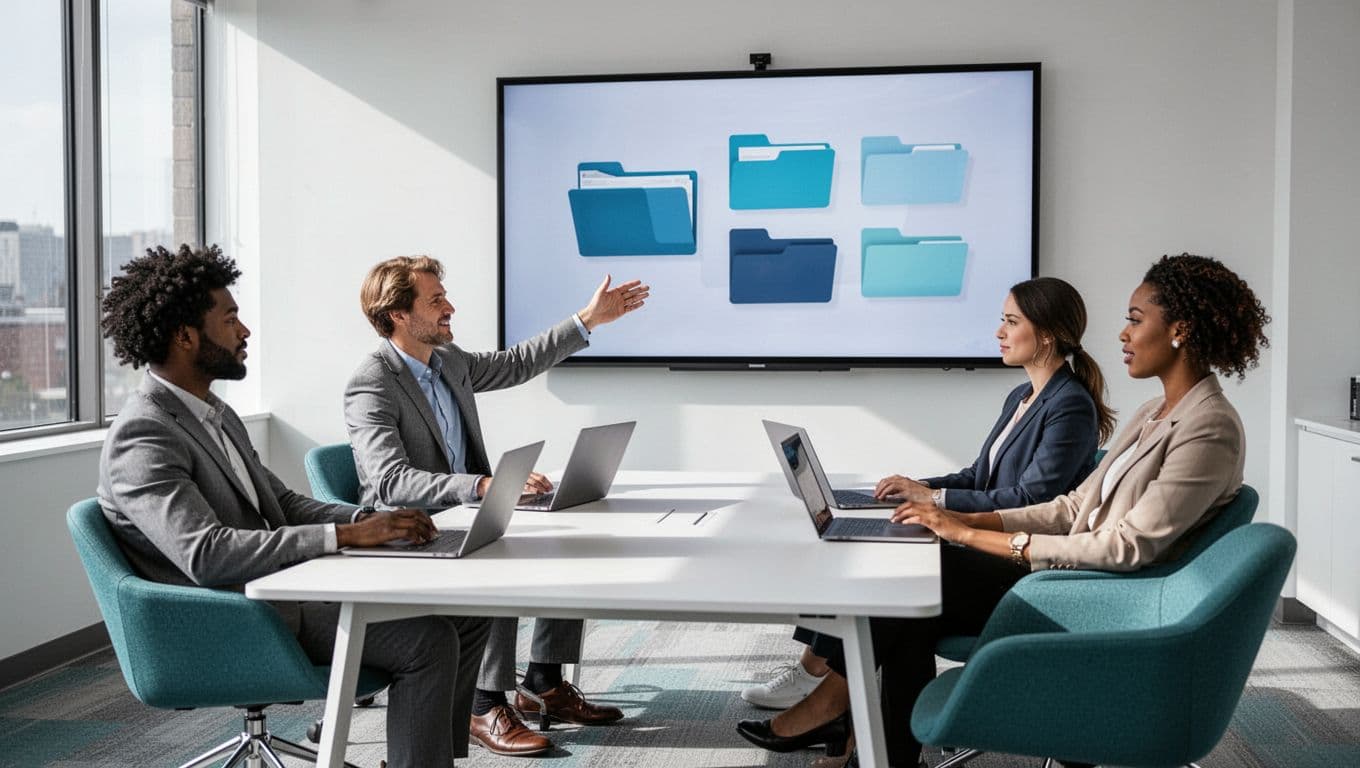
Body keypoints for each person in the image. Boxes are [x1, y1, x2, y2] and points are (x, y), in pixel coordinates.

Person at [739, 253, 1270, 768]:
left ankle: (835, 708)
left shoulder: (1209, 425)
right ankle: (874, 745)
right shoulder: (1155, 411)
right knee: (903, 598)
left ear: (1181, 329)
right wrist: (957, 519)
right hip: (1071, 573)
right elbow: (1071, 506)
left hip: (1098, 596)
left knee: (906, 584)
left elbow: (1126, 546)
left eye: (1135, 320)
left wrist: (970, 534)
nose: (1122, 335)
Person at [96, 245, 490, 768]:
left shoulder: (212, 412)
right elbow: (207, 554)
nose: (245, 332)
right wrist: (345, 538)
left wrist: (367, 521)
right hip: (229, 621)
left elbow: (278, 501)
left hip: (277, 593)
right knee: (427, 639)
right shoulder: (144, 434)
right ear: (184, 335)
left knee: (465, 615)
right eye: (230, 318)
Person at [741, 277, 1114, 715]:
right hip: (983, 550)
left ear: (1047, 334)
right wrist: (917, 488)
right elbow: (980, 476)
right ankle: (822, 682)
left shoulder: (1069, 405)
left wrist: (936, 501)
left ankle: (817, 682)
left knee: (886, 578)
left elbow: (1029, 499)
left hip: (1011, 565)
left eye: (1011, 322)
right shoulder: (1023, 395)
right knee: (870, 545)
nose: (999, 332)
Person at [344, 256, 649, 757]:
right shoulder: (372, 382)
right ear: (398, 314)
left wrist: (588, 320)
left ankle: (544, 680)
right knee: (498, 551)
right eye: (436, 299)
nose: (450, 307)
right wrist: (481, 486)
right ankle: (484, 703)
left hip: (466, 510)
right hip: (413, 530)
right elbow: (389, 482)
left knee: (568, 537)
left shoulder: (448, 361)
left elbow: (514, 364)